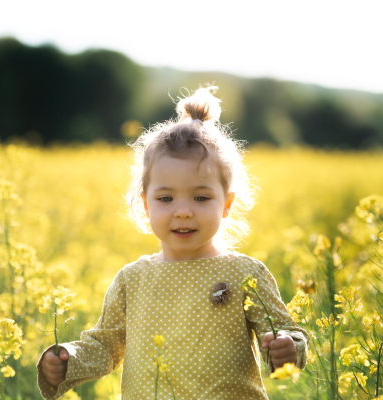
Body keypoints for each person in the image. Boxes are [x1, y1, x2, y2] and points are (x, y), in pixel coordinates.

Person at [37, 86, 309, 399]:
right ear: (146, 205)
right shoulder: (132, 279)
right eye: (166, 198)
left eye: (201, 197)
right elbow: (105, 346)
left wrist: (286, 350)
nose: (182, 211)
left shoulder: (245, 273)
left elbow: (283, 334)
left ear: (226, 204)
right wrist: (67, 360)